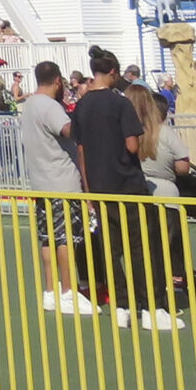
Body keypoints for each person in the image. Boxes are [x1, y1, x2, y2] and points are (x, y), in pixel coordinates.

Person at [74, 47, 178, 332]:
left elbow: (81, 150)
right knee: (142, 247)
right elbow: (132, 145)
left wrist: (88, 187)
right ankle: (152, 308)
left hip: (99, 186)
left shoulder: (81, 105)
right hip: (128, 185)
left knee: (111, 248)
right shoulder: (120, 104)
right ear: (113, 73)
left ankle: (121, 305)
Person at [16, 59, 93, 314]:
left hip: (41, 182)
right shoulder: (50, 106)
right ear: (58, 81)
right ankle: (69, 291)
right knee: (66, 239)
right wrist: (84, 108)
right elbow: (69, 130)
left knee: (48, 237)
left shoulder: (29, 105)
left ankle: (51, 289)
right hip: (62, 182)